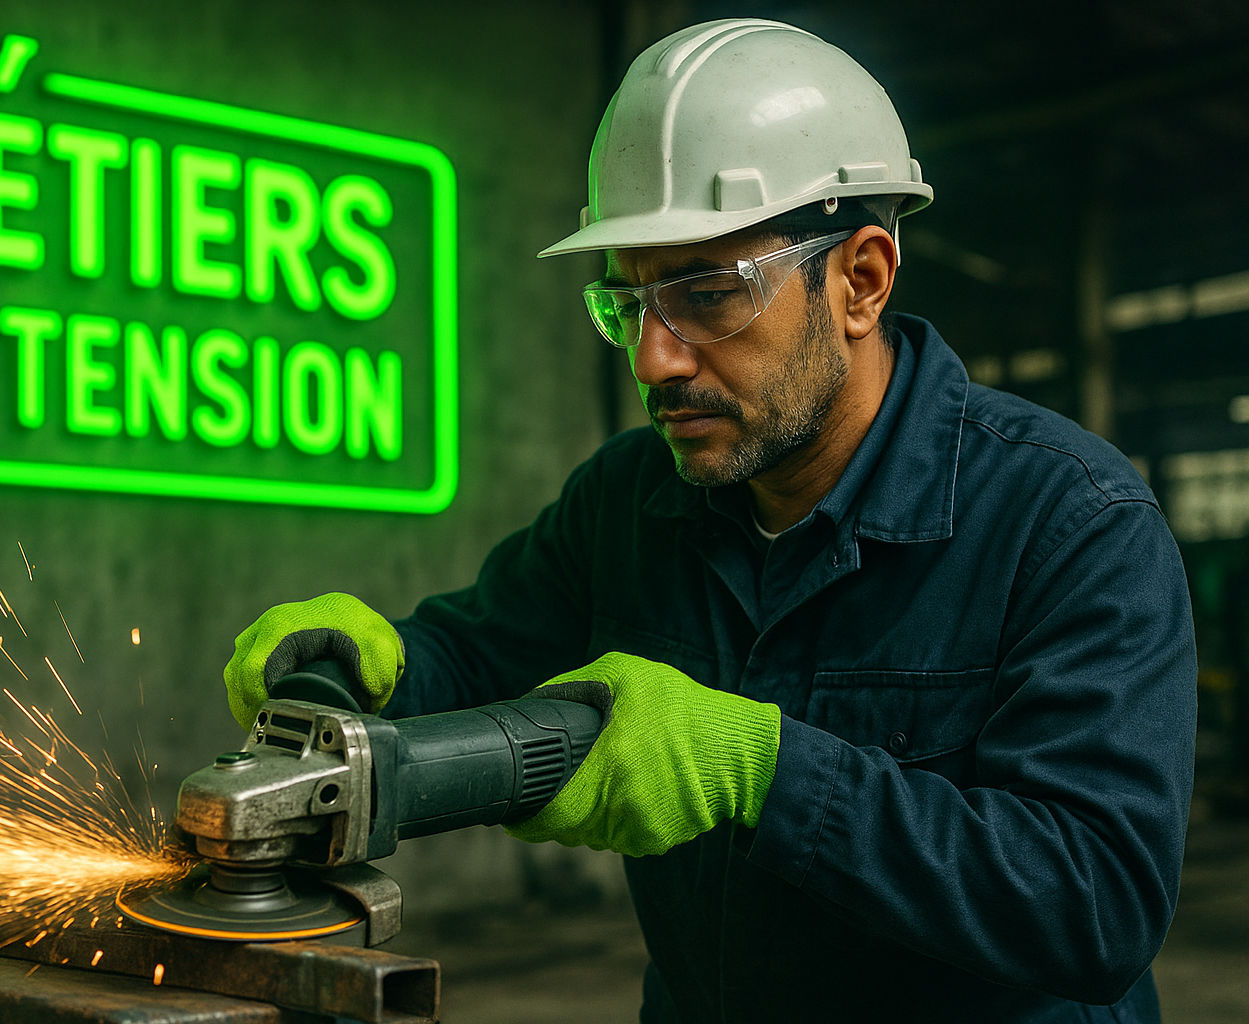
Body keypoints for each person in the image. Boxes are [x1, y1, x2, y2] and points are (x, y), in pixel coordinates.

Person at [224, 19, 1196, 1023]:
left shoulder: (1068, 523)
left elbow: (1097, 904)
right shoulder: (632, 499)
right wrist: (367, 662)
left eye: (706, 293)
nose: (655, 360)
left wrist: (764, 771)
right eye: (629, 303)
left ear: (860, 279)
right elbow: (472, 658)